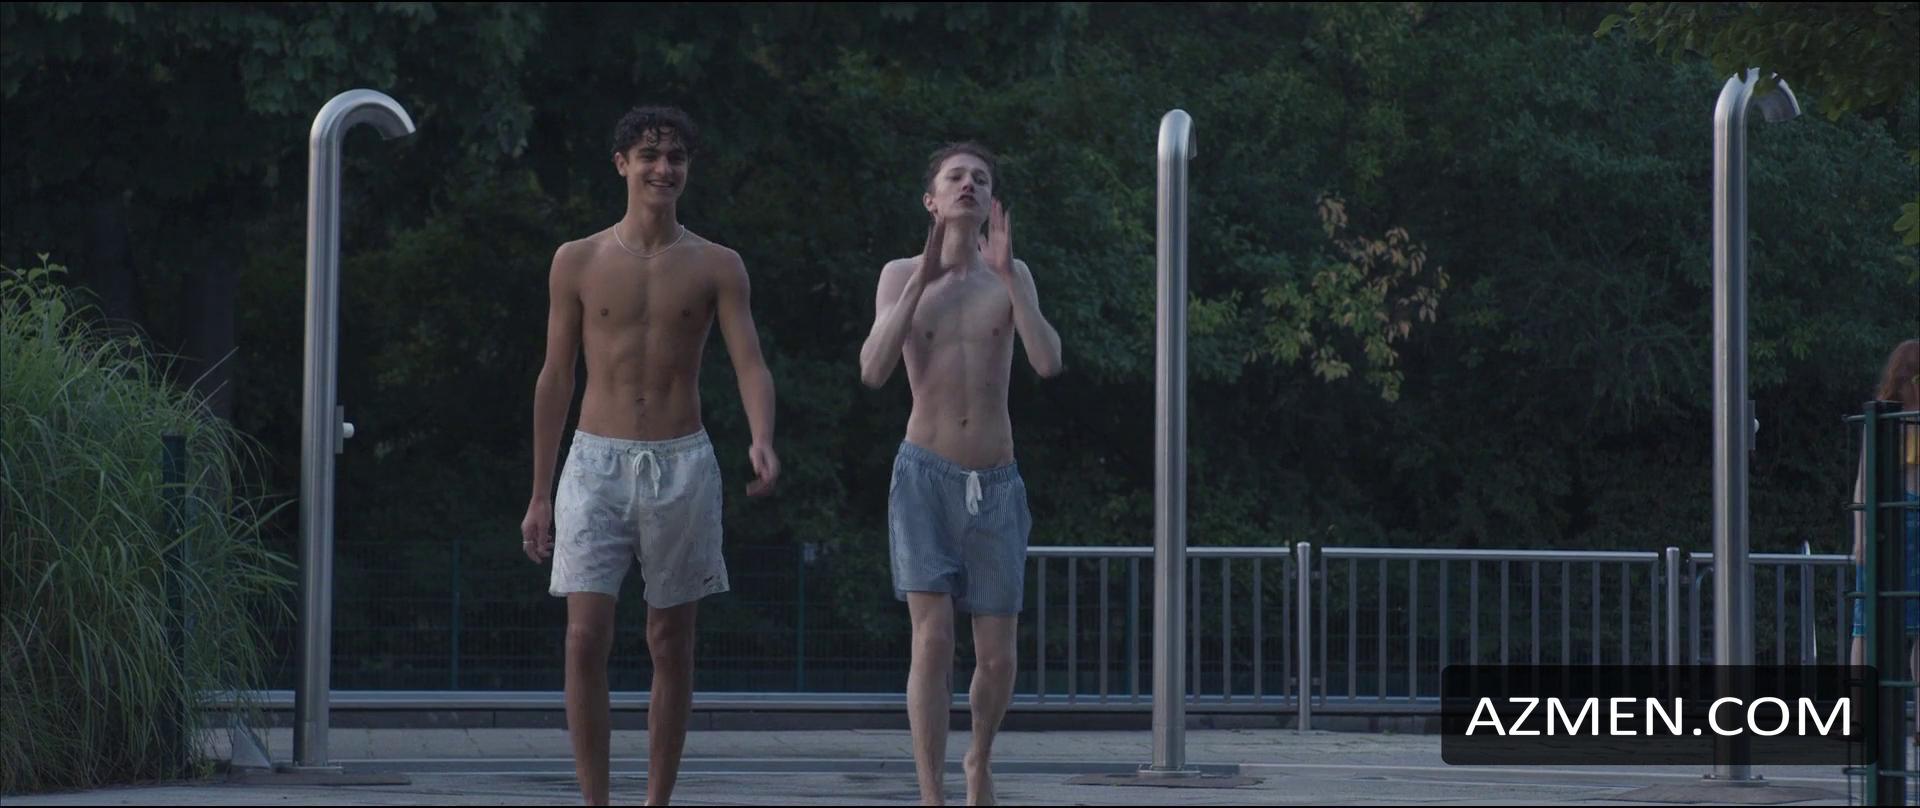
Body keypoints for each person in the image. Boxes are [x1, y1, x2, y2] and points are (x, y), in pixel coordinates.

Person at [520, 105, 779, 806]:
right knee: (584, 636)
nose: (663, 169)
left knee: (670, 638)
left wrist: (761, 435)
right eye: (649, 155)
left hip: (681, 461)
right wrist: (541, 492)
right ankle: (595, 799)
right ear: (622, 165)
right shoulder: (577, 260)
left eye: (676, 158)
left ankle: (656, 799)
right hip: (594, 462)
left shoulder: (717, 264)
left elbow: (749, 361)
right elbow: (555, 376)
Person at [858, 142, 1063, 805]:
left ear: (992, 201)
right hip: (924, 474)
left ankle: (979, 759)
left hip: (996, 480)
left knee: (997, 655)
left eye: (981, 178)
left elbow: (1048, 362)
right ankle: (931, 793)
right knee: (933, 638)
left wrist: (1010, 279)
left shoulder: (1012, 274)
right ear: (933, 200)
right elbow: (872, 370)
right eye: (956, 177)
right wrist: (919, 281)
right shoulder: (899, 275)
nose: (969, 184)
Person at [1850, 339, 1920, 735]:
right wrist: (1860, 536)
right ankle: (1861, 715)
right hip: (1887, 526)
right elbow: (1864, 481)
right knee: (1866, 625)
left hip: (1910, 521)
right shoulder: (1881, 419)